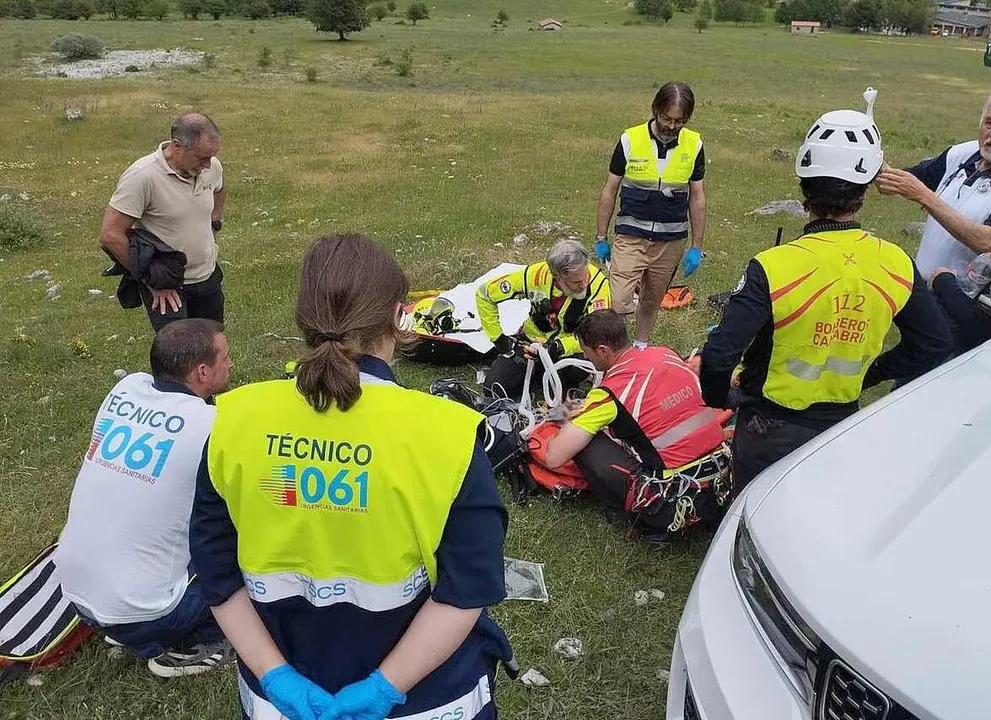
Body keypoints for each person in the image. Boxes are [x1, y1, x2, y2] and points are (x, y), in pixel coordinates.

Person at [190, 234, 513, 720]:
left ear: (303, 319)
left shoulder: (234, 421)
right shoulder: (447, 434)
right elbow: (467, 589)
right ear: (399, 318)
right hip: (426, 698)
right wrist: (384, 688)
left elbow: (215, 572)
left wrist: (274, 676)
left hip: (281, 698)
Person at [698, 95, 952, 488]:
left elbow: (719, 355)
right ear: (865, 187)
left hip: (769, 425)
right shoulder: (896, 262)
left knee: (749, 507)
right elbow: (934, 342)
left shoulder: (774, 266)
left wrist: (721, 399)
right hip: (839, 424)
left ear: (804, 185)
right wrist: (872, 374)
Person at [54, 319, 234, 678]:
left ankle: (125, 620)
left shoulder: (127, 387)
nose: (230, 364)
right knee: (237, 539)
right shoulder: (214, 426)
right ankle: (204, 640)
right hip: (151, 613)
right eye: (225, 358)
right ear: (202, 371)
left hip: (74, 596)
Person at [542, 310, 730, 535]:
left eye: (587, 352)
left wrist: (565, 422)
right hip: (721, 481)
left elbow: (554, 458)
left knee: (586, 442)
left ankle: (624, 512)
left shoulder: (610, 393)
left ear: (603, 350)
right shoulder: (666, 354)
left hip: (673, 505)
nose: (585, 357)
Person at [594, 81, 707, 349]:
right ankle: (617, 352)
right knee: (619, 300)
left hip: (670, 241)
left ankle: (641, 346)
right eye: (667, 118)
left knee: (652, 299)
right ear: (656, 110)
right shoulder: (630, 140)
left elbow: (698, 197)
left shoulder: (694, 144)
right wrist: (601, 236)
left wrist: (696, 246)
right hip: (631, 235)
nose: (672, 126)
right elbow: (609, 190)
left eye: (679, 121)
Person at [876, 86, 991, 281]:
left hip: (967, 295)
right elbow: (896, 182)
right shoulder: (962, 153)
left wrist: (925, 196)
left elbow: (988, 241)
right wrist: (869, 157)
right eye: (989, 123)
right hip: (924, 285)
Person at [99, 113, 228, 332]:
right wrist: (152, 280)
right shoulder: (142, 176)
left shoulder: (211, 166)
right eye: (201, 157)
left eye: (211, 156)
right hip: (168, 291)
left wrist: (214, 220)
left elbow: (220, 188)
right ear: (177, 146)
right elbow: (110, 235)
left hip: (207, 277)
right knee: (178, 351)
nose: (208, 164)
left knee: (212, 345)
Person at [476, 238, 611, 399]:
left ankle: (554, 378)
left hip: (571, 348)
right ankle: (538, 372)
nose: (583, 284)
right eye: (576, 282)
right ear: (557, 277)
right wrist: (499, 340)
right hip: (531, 342)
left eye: (585, 277)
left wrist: (557, 347)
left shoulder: (598, 284)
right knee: (495, 387)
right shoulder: (536, 275)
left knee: (572, 372)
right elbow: (484, 294)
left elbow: (597, 334)